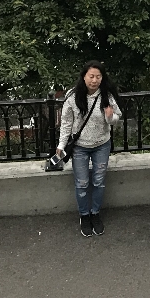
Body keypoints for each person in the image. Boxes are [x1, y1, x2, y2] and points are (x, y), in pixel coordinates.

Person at [54, 60, 121, 237]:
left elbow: (116, 118)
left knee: (98, 181)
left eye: (98, 76)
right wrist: (61, 145)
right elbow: (66, 123)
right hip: (80, 147)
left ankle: (95, 213)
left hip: (102, 144)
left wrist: (110, 117)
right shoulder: (73, 96)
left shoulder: (106, 95)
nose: (94, 80)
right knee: (82, 183)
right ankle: (84, 215)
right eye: (91, 76)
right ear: (84, 76)